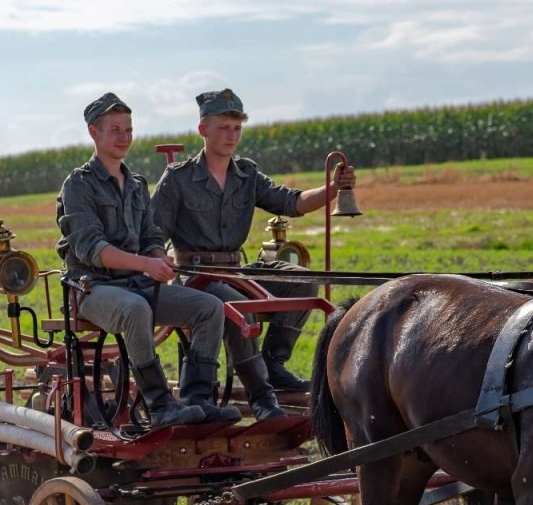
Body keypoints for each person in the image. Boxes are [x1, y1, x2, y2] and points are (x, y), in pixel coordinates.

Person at [151, 88, 356, 421]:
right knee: (239, 308)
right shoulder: (178, 179)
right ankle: (262, 398)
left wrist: (333, 189)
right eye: (224, 127)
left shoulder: (246, 175)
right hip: (195, 275)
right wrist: (157, 263)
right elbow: (153, 233)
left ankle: (274, 365)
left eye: (237, 128)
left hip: (236, 269)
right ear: (203, 129)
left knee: (301, 283)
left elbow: (292, 202)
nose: (232, 135)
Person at [56, 92, 237, 430]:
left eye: (128, 129)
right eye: (115, 130)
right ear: (94, 133)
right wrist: (144, 264)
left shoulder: (137, 184)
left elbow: (151, 237)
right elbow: (91, 248)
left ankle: (197, 401)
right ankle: (159, 406)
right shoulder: (78, 185)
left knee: (209, 307)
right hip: (93, 289)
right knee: (134, 309)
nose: (124, 137)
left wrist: (158, 257)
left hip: (137, 285)